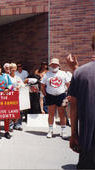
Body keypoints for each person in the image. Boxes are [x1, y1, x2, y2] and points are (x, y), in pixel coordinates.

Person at [68, 33, 95, 169]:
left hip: (87, 141)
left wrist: (73, 134)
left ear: (92, 47)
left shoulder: (80, 73)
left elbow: (73, 108)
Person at [41, 58, 70, 139]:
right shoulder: (47, 74)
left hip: (61, 95)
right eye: (52, 64)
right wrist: (45, 95)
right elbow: (42, 86)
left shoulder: (63, 73)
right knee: (51, 114)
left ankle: (63, 131)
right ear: (50, 65)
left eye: (55, 64)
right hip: (50, 96)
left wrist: (68, 95)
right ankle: (50, 130)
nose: (54, 66)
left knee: (62, 114)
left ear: (58, 65)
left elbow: (68, 85)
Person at [6, 63, 25, 131]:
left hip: (18, 97)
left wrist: (19, 86)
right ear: (9, 69)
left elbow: (23, 85)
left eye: (14, 69)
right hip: (10, 97)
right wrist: (13, 87)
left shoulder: (18, 77)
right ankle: (10, 126)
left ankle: (18, 125)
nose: (13, 70)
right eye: (12, 69)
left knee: (19, 111)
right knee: (10, 111)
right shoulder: (7, 77)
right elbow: (5, 86)